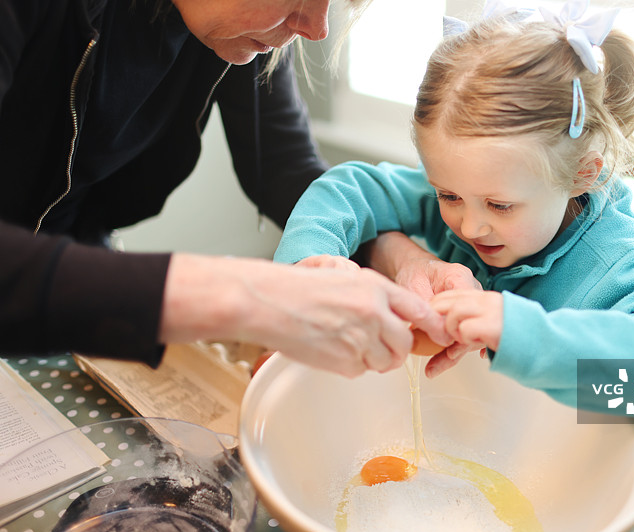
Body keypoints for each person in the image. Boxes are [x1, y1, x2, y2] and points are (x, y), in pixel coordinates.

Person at [273, 0, 634, 415]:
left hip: (561, 462)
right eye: (448, 195)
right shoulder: (473, 191)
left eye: (501, 205)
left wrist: (515, 329)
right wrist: (312, 266)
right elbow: (348, 188)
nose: (468, 225)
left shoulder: (614, 263)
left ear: (583, 173)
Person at [0, 0, 450, 378]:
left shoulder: (241, 26)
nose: (316, 28)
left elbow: (282, 166)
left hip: (72, 278)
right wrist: (249, 296)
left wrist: (398, 256)